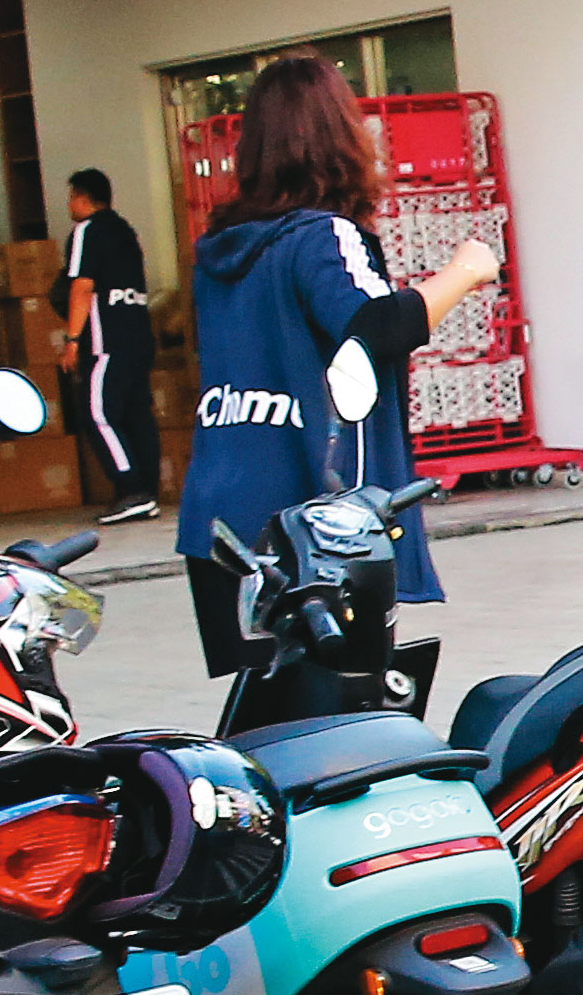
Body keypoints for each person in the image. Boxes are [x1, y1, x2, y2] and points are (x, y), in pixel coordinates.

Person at [181, 50, 499, 675]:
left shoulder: (219, 251)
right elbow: (376, 326)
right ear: (339, 136)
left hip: (216, 518)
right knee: (339, 717)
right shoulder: (321, 235)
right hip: (310, 527)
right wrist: (465, 271)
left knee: (265, 712)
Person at [55, 168, 164, 524]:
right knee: (136, 414)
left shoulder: (87, 231)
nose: (69, 204)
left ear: (83, 198)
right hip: (137, 334)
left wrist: (72, 339)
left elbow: (82, 286)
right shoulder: (125, 231)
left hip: (107, 338)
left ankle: (131, 488)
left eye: (72, 196)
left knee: (98, 412)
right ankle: (148, 488)